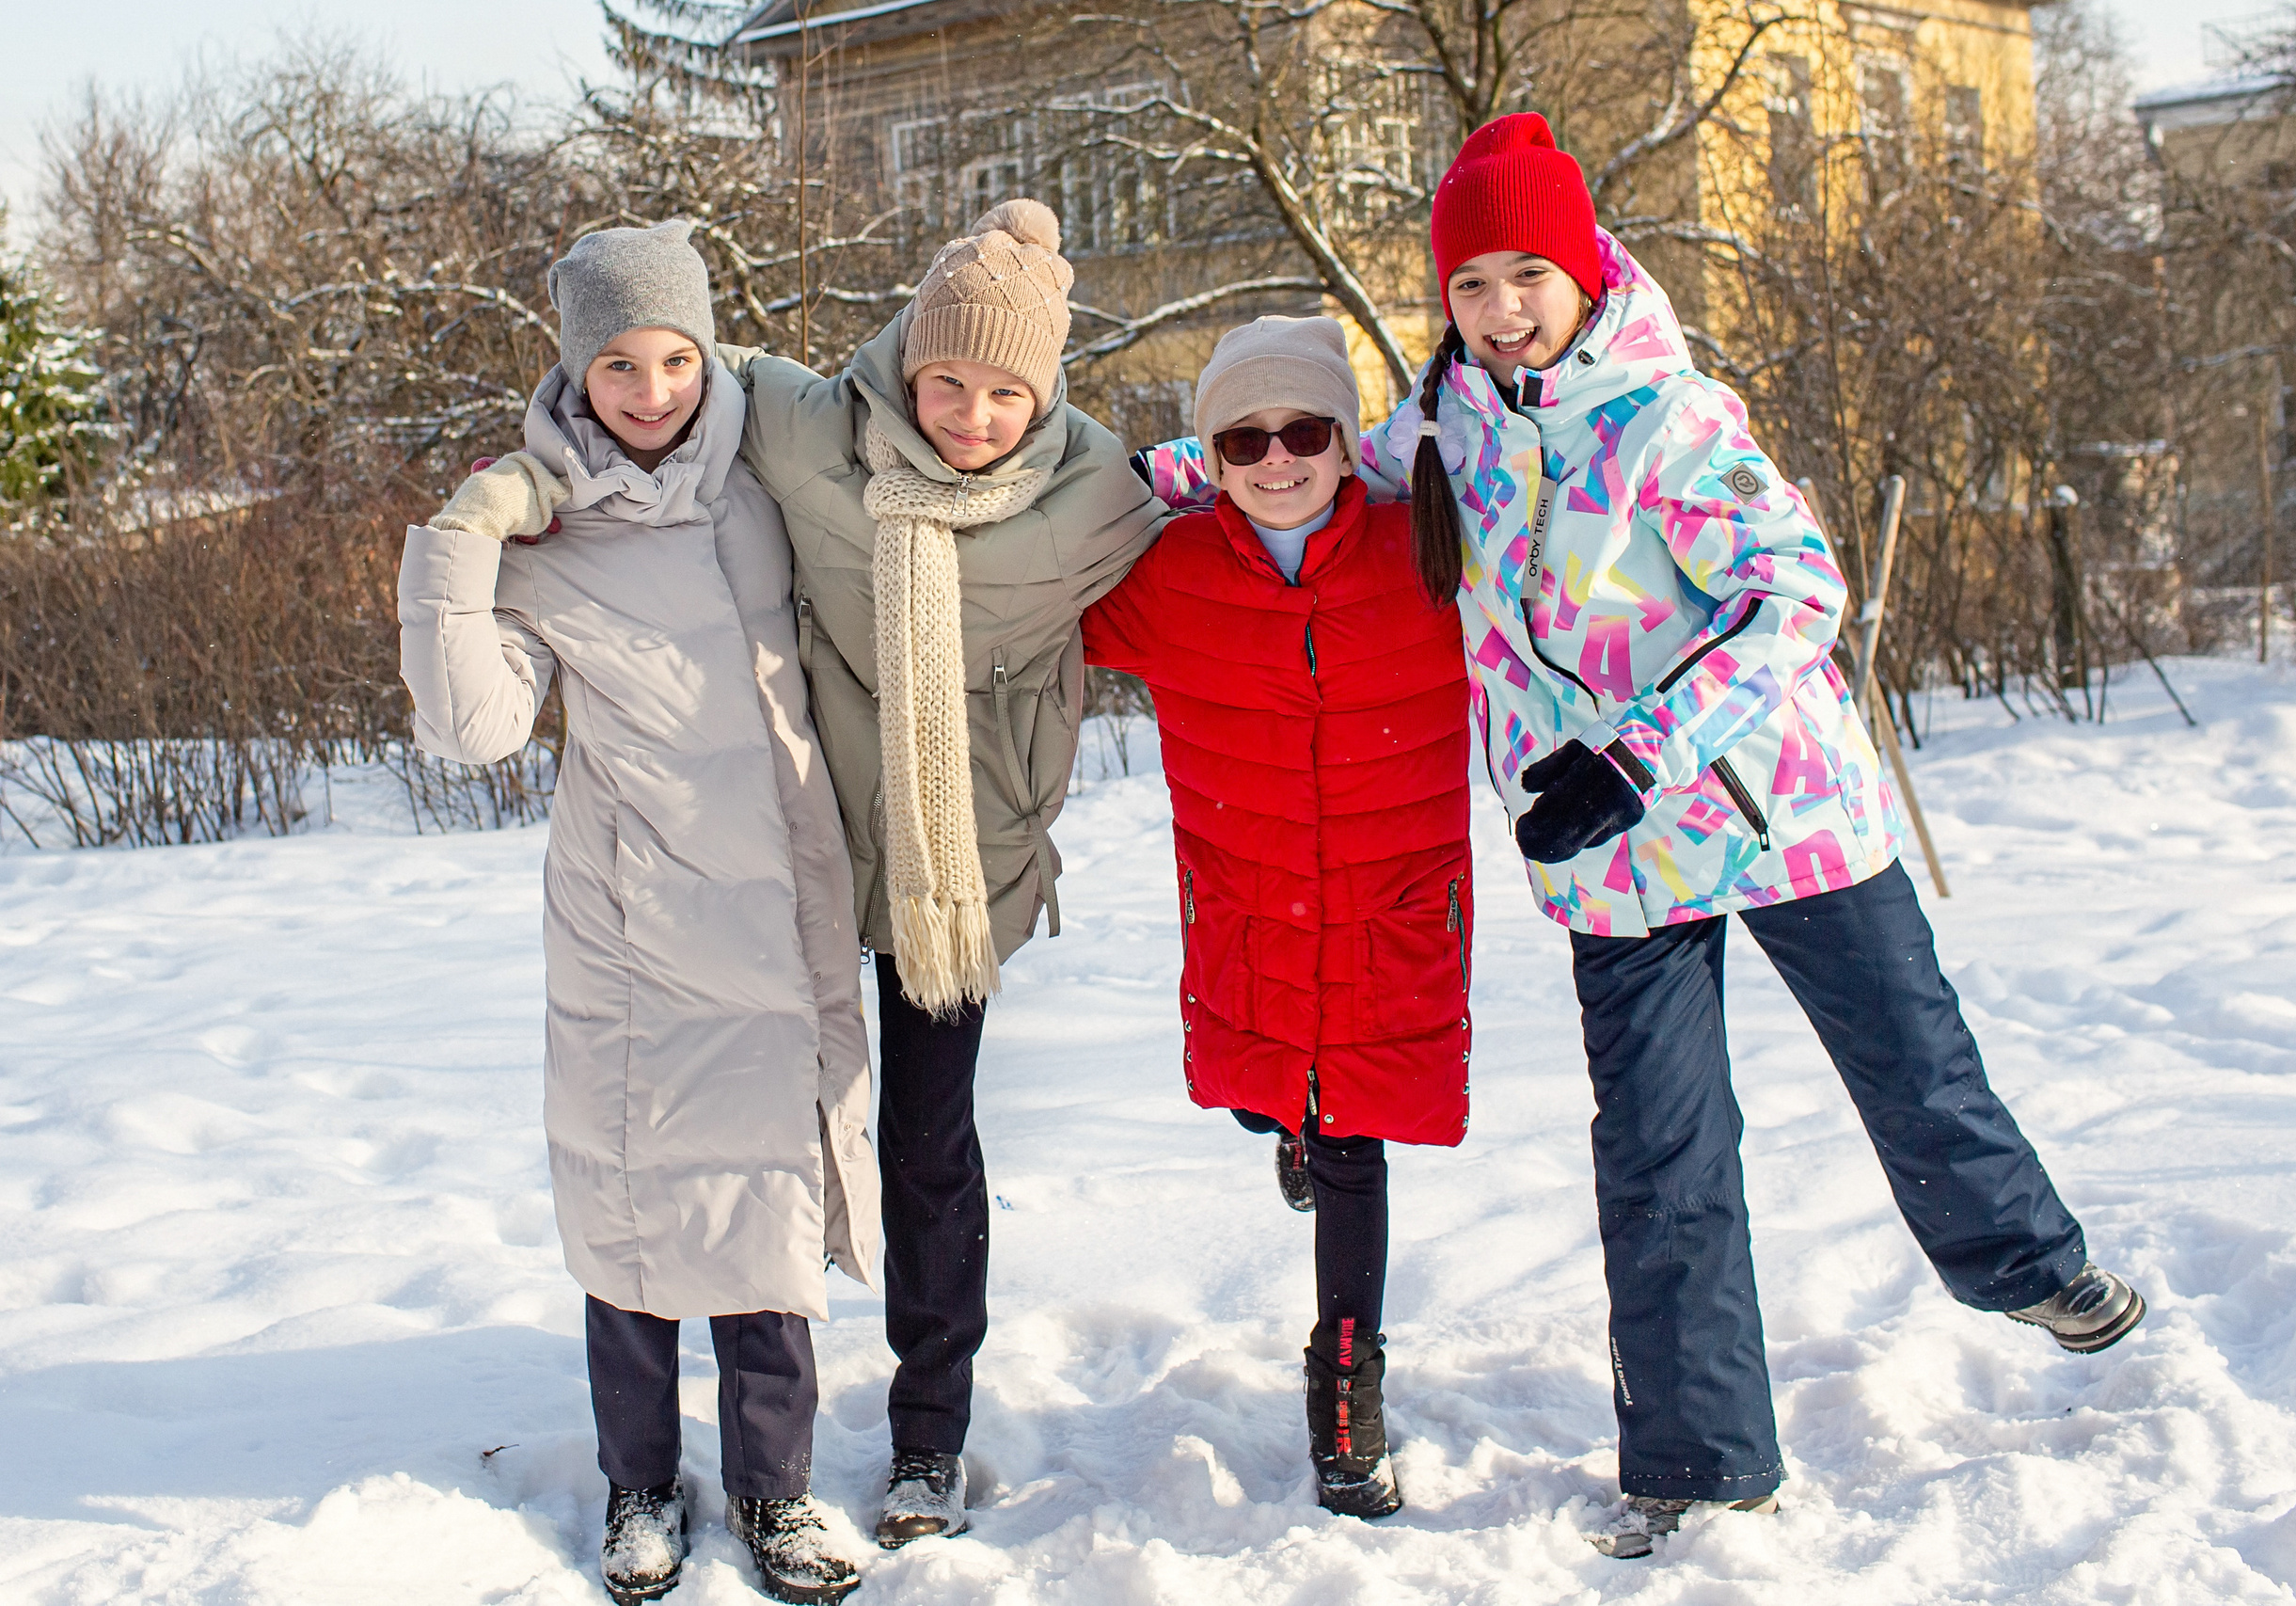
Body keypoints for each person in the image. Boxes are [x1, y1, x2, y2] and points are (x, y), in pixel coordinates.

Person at [1139, 115, 2145, 1560]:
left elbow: (1803, 596)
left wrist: (1642, 748)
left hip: (1781, 813)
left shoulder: (1666, 417)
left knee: (1915, 1067)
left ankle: (2029, 1263)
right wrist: (1146, 476)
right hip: (1608, 856)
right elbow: (1303, 463)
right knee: (1662, 1153)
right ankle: (1699, 1457)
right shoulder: (1444, 426)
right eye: (1470, 283)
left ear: (1584, 267)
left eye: (1524, 274)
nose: (1498, 308)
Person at [398, 221, 873, 1605]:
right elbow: (474, 729)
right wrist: (458, 543)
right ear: (575, 365)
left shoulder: (769, 478)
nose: (652, 387)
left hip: (779, 895)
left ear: (707, 350)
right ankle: (641, 1480)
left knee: (770, 1197)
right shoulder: (541, 519)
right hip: (629, 914)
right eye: (619, 361)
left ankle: (779, 1491)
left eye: (674, 355)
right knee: (632, 1199)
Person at [721, 199, 1168, 1547]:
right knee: (769, 1135)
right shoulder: (811, 431)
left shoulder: (1096, 494)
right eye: (949, 380)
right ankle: (761, 1425)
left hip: (960, 875)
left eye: (1005, 390)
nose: (971, 414)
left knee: (924, 1147)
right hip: (798, 845)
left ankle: (929, 1429)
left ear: (1048, 393)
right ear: (909, 360)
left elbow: (1233, 519)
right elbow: (670, 367)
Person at [1081, 316, 1474, 1519]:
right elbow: (1036, 599)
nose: (1276, 460)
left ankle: (1346, 1401)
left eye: (1304, 431)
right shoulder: (1169, 570)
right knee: (1271, 1092)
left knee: (1357, 1136)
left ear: (1343, 438)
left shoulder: (1429, 547)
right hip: (1249, 902)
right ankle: (1282, 1123)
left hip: (1388, 904)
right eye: (1241, 439)